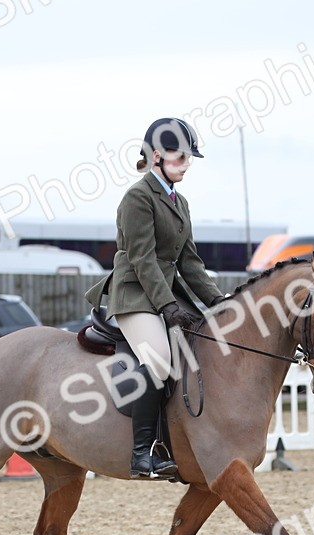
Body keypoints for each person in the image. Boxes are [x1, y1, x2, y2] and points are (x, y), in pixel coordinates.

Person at [84, 117, 226, 480]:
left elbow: (190, 262)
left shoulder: (180, 202)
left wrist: (220, 302)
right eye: (181, 157)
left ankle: (174, 443)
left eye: (189, 158)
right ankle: (142, 452)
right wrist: (167, 305)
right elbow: (142, 259)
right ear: (158, 156)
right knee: (161, 360)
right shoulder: (137, 197)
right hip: (135, 295)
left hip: (166, 292)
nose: (187, 164)